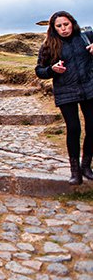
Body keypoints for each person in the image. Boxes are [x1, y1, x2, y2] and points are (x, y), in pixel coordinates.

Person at [35, 11, 93, 185]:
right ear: (53, 28)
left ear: (72, 23)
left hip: (89, 88)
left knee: (92, 127)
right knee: (73, 128)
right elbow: (39, 70)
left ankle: (86, 166)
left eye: (66, 24)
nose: (63, 29)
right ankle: (75, 171)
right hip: (66, 90)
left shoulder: (87, 37)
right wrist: (52, 70)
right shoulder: (48, 46)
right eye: (59, 26)